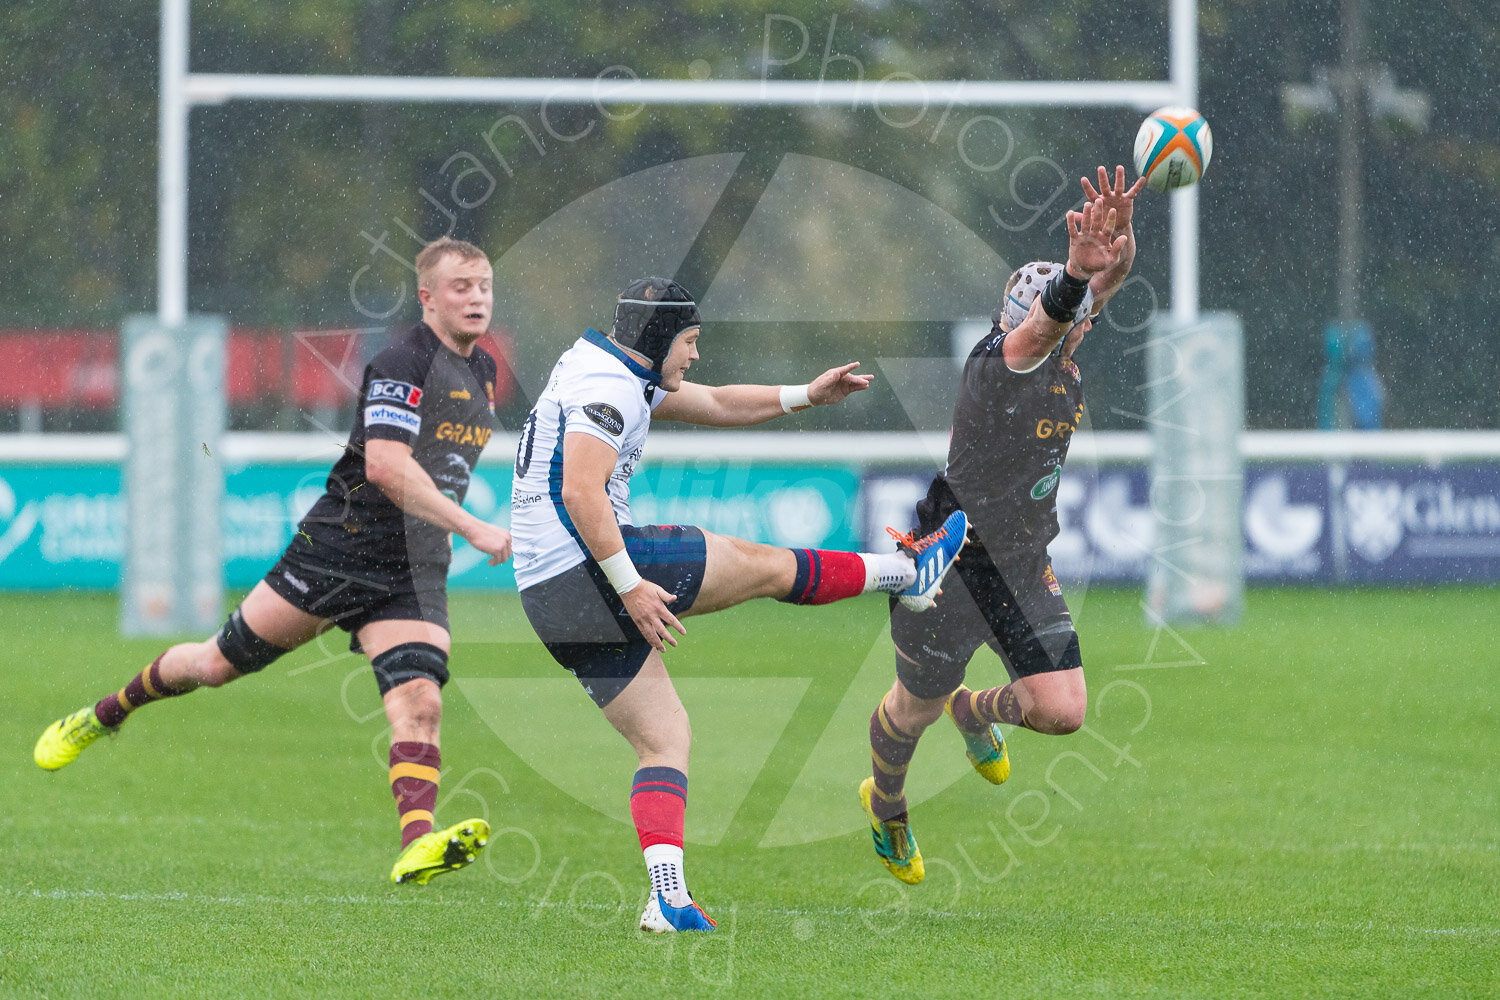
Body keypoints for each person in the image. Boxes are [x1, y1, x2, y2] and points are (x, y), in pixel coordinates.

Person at [34, 237, 515, 886]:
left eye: (484, 285)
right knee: (212, 665)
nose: (477, 297)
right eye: (461, 287)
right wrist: (472, 526)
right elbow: (385, 465)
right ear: (428, 298)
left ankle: (417, 842)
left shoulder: (482, 370)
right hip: (338, 551)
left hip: (411, 572)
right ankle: (105, 714)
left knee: (420, 700)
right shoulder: (403, 361)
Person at [510, 276, 969, 932]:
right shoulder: (608, 388)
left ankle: (666, 898)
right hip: (588, 565)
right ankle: (906, 575)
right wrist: (631, 586)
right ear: (659, 338)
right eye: (690, 342)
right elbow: (583, 493)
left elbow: (718, 402)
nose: (695, 356)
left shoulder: (611, 368)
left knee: (665, 739)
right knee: (764, 567)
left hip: (548, 597)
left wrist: (807, 395)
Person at [859, 167, 1146, 884]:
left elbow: (1094, 296)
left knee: (1063, 712)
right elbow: (1048, 322)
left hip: (1020, 565)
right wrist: (1076, 277)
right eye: (1065, 316)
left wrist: (1119, 246)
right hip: (947, 567)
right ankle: (886, 806)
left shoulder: (1068, 344)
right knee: (907, 711)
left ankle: (974, 709)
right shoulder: (999, 362)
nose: (1079, 325)